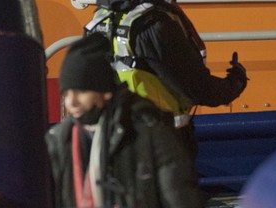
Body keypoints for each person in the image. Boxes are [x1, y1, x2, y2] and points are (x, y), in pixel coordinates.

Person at [84, 0, 246, 149]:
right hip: (160, 142)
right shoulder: (155, 24)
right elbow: (194, 86)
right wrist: (235, 82)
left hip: (111, 139)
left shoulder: (99, 19)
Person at [47, 34, 202, 208]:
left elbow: (180, 196)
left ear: (104, 90)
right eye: (66, 94)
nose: (71, 102)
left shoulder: (148, 131)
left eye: (81, 92)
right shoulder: (58, 139)